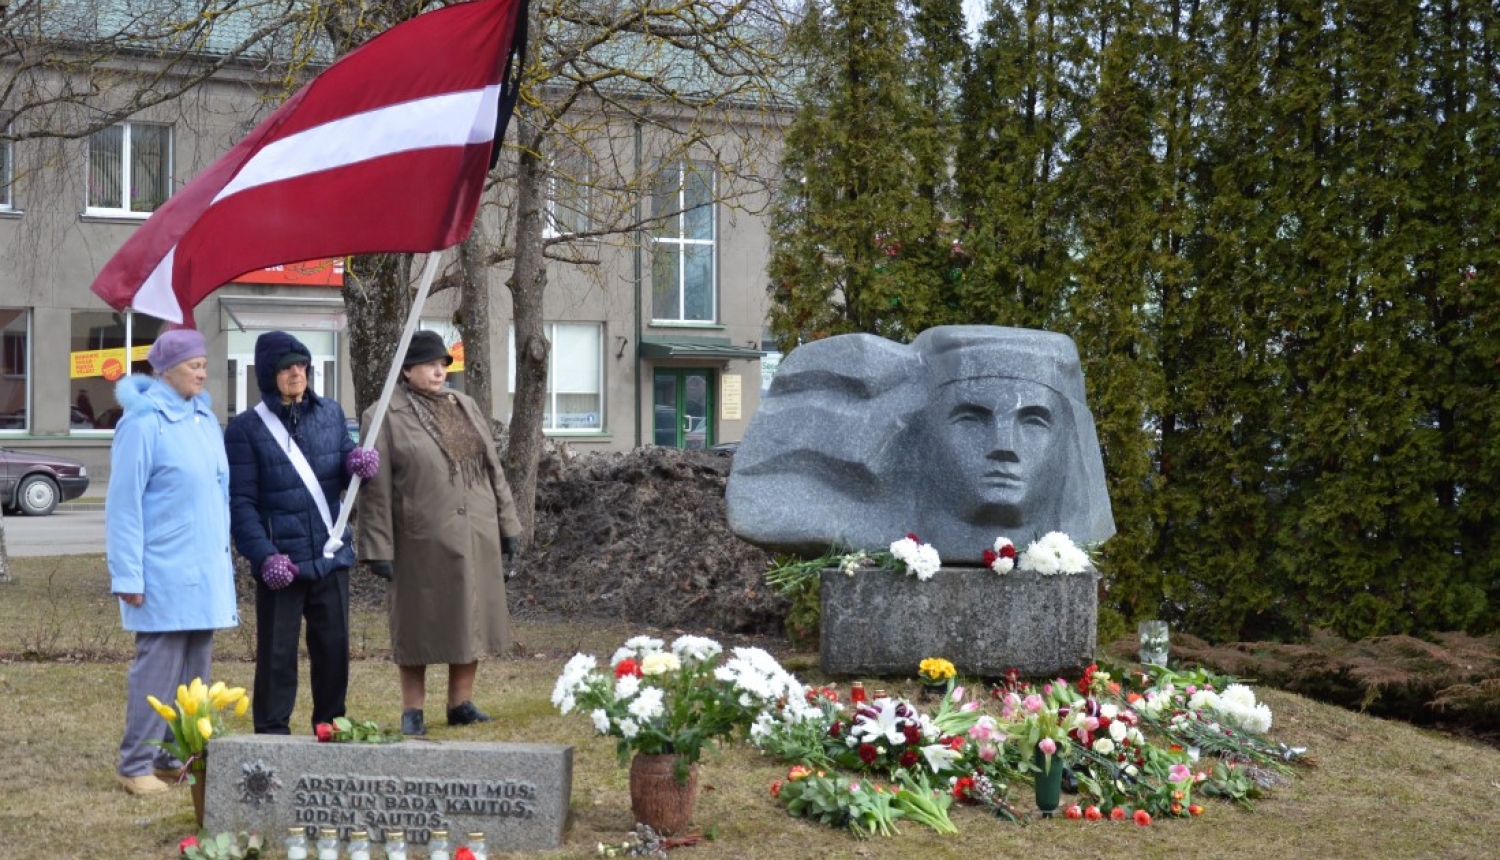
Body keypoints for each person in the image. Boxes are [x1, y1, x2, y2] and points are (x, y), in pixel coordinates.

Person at [356, 330, 522, 736]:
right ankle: (412, 709)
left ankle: (460, 703)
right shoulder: (383, 414)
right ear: (407, 370)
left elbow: (491, 468)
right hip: (420, 538)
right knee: (417, 623)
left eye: (442, 363)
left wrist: (508, 523)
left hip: (475, 531)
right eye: (429, 363)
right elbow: (374, 486)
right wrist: (378, 546)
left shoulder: (463, 404)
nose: (438, 370)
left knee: (471, 617)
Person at [225, 332, 379, 735]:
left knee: (333, 652)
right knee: (277, 655)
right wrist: (264, 556)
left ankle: (330, 725)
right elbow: (241, 504)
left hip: (330, 554)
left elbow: (341, 463)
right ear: (268, 374)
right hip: (282, 561)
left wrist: (356, 464)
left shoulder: (329, 414)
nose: (296, 373)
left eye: (302, 366)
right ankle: (272, 732)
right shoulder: (245, 429)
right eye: (286, 367)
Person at [107, 329, 238, 795]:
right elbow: (123, 505)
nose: (202, 371)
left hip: (204, 568)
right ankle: (134, 762)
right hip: (162, 567)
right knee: (157, 670)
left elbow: (216, 495)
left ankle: (172, 757)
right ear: (164, 371)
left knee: (194, 676)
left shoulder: (202, 418)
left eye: (204, 363)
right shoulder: (143, 422)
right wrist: (127, 573)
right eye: (192, 365)